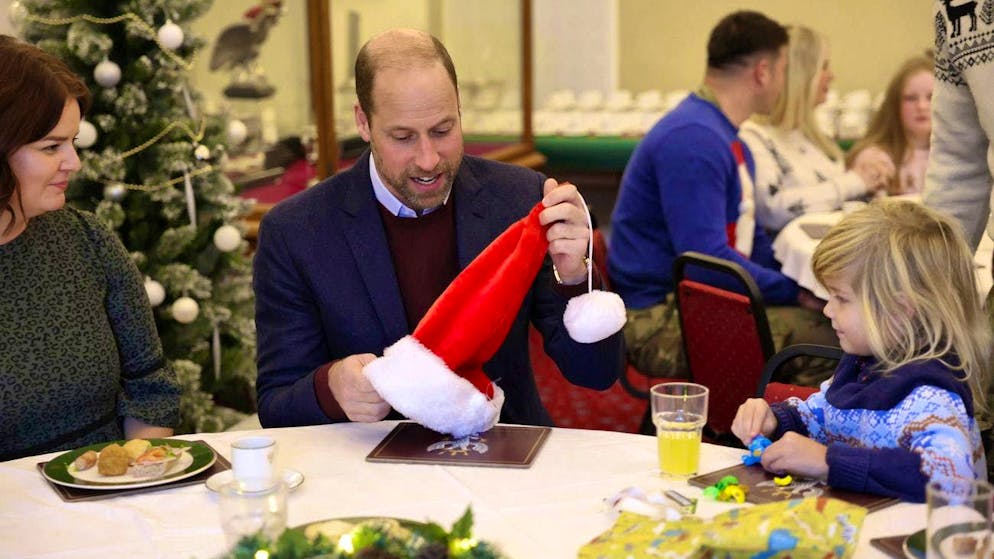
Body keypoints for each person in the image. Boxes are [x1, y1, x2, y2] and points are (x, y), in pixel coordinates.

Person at [253, 29, 624, 428]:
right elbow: (276, 406)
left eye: (443, 131)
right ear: (363, 123)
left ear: (460, 110)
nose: (429, 159)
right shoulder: (296, 231)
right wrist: (331, 387)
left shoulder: (517, 198)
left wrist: (573, 278)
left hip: (503, 451)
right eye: (403, 137)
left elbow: (596, 374)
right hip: (369, 470)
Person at [608, 11, 837, 384]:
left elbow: (751, 243)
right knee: (837, 343)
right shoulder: (694, 140)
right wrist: (795, 293)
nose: (783, 82)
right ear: (762, 72)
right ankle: (774, 433)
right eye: (781, 71)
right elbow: (706, 263)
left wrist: (805, 288)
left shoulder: (718, 132)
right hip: (657, 317)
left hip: (694, 301)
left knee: (843, 325)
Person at [731, 200, 989, 502]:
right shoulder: (864, 364)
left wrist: (828, 462)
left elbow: (948, 478)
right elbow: (823, 417)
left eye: (841, 298)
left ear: (899, 309)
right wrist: (776, 419)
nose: (827, 309)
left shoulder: (931, 396)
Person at [0, 36, 180, 460]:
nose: (74, 162)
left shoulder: (86, 240)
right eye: (51, 147)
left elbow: (150, 388)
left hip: (104, 495)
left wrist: (130, 478)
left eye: (72, 142)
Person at [740, 25, 894, 234]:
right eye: (824, 67)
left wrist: (871, 180)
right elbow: (771, 209)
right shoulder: (754, 136)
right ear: (801, 74)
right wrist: (856, 181)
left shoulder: (813, 134)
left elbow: (840, 196)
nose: (831, 76)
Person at [847, 55, 934, 197]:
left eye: (931, 97)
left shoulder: (957, 157)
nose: (922, 106)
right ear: (894, 105)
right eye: (911, 98)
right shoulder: (874, 159)